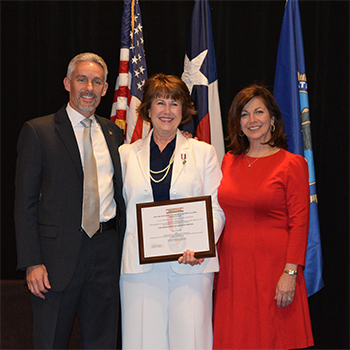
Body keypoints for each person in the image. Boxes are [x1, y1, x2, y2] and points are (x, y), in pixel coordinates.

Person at [14, 52, 126, 349]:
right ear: (67, 83)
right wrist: (32, 261)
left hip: (106, 254)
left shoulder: (115, 133)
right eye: (82, 79)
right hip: (55, 260)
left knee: (103, 342)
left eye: (97, 81)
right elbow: (24, 203)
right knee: (51, 342)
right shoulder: (39, 131)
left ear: (105, 89)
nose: (89, 87)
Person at [118, 73, 225, 350]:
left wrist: (201, 247)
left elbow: (217, 209)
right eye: (160, 102)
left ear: (184, 110)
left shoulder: (203, 152)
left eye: (174, 104)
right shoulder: (125, 154)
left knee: (190, 342)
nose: (167, 111)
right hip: (139, 269)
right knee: (142, 342)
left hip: (191, 266)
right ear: (148, 110)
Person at [213, 84, 314, 350]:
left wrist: (291, 271)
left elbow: (300, 222)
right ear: (237, 122)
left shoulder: (292, 164)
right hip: (232, 271)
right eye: (244, 114)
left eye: (259, 112)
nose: (252, 120)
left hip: (274, 271)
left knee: (273, 340)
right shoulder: (228, 161)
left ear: (273, 119)